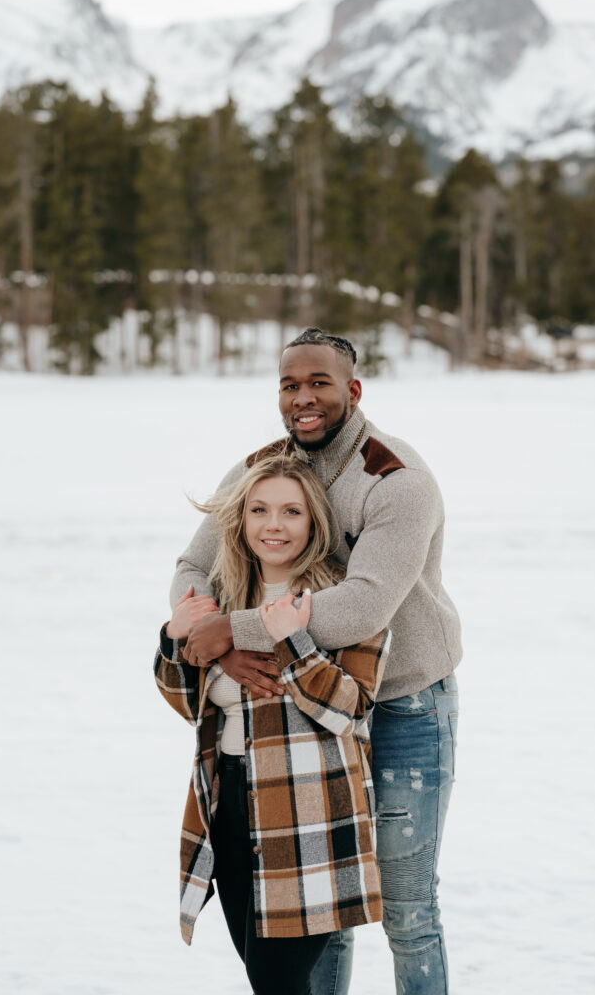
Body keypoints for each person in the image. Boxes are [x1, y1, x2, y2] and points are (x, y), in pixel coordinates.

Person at [171, 328, 462, 995]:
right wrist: (206, 635)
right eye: (289, 385)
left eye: (318, 383)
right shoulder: (260, 468)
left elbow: (360, 609)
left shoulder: (395, 480)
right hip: (304, 711)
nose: (302, 398)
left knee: (406, 909)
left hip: (400, 706)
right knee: (322, 911)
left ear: (352, 391)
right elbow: (194, 565)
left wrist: (233, 631)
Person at [154, 455, 391, 995]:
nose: (273, 525)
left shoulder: (342, 600)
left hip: (309, 814)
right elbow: (187, 704)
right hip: (230, 801)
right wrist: (175, 637)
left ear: (314, 523)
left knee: (276, 983)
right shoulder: (223, 599)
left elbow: (350, 710)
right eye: (259, 510)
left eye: (291, 511)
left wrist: (293, 645)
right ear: (240, 520)